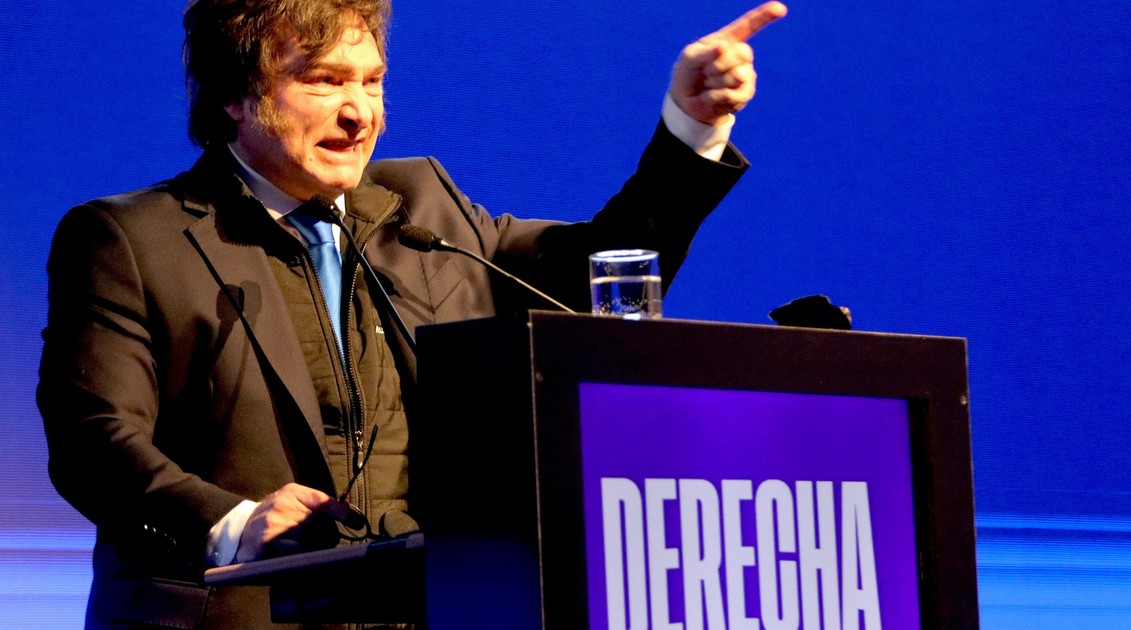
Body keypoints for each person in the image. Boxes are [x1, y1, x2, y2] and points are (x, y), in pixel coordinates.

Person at [38, 0, 786, 627]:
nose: (359, 113)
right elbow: (93, 438)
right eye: (325, 81)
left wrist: (691, 130)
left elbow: (590, 275)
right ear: (236, 94)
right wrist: (230, 524)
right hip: (233, 615)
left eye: (372, 81)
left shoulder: (422, 208)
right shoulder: (133, 239)